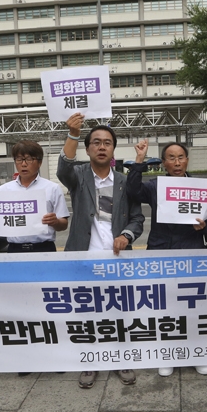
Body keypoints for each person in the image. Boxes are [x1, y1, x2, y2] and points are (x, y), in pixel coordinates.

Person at [57, 112, 144, 389]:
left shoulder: (123, 181)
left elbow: (137, 218)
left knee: (119, 312)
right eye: (96, 142)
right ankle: (90, 361)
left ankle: (120, 359)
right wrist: (72, 133)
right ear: (88, 149)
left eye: (107, 142)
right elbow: (62, 168)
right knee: (88, 312)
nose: (102, 146)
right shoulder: (79, 176)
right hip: (84, 259)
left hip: (118, 261)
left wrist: (127, 235)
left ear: (114, 149)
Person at [128, 138, 207, 377]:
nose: (177, 162)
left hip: (192, 250)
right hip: (162, 251)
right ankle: (168, 353)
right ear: (164, 163)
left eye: (180, 157)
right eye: (171, 158)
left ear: (187, 160)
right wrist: (139, 160)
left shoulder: (201, 186)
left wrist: (205, 226)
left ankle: (197, 353)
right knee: (165, 306)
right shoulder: (155, 186)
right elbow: (132, 191)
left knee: (194, 305)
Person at [0, 140, 69, 377]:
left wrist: (55, 221)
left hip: (44, 250)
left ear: (38, 162)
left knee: (49, 304)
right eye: (19, 159)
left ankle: (55, 356)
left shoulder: (51, 189)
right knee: (21, 305)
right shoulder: (4, 190)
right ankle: (27, 357)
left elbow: (63, 224)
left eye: (29, 159)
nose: (23, 163)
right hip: (16, 252)